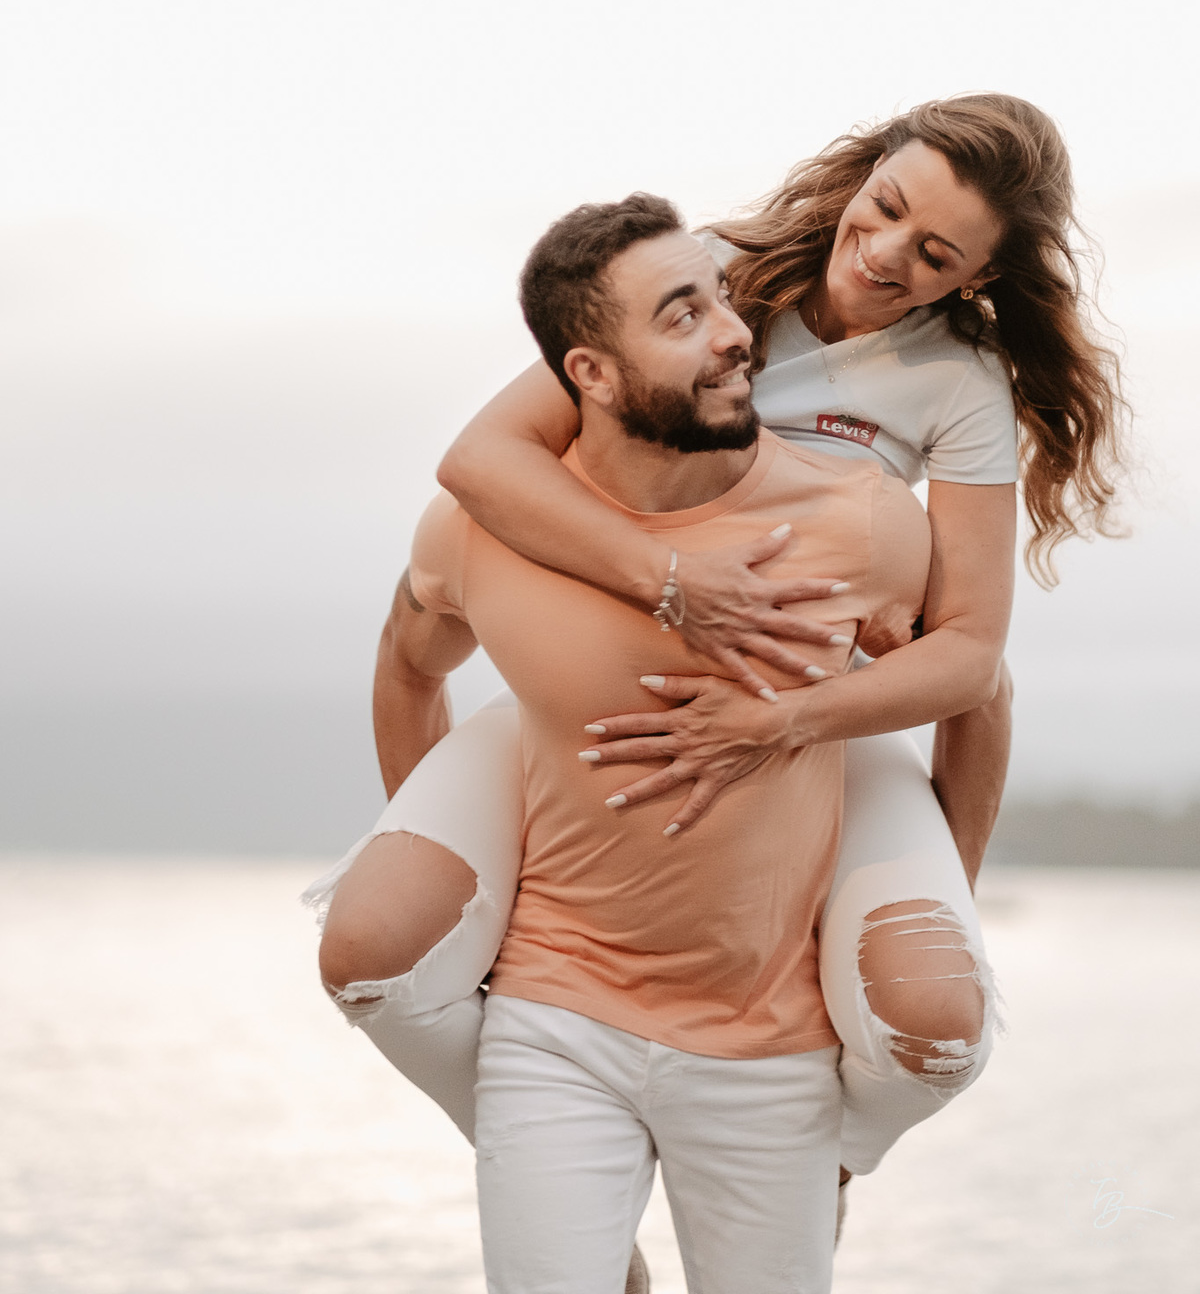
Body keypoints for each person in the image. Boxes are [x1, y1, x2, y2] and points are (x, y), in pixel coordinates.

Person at [306, 94, 1125, 1261]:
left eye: (934, 253)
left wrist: (787, 718)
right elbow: (484, 459)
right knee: (374, 946)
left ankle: (838, 1139)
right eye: (885, 207)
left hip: (811, 709)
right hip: (607, 669)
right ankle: (541, 1148)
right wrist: (666, 580)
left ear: (976, 280)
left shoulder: (959, 385)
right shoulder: (714, 280)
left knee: (936, 989)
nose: (885, 253)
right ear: (865, 174)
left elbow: (970, 653)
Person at [321, 193, 950, 1293]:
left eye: (718, 301)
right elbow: (408, 661)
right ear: (592, 376)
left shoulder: (861, 519)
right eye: (681, 316)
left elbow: (973, 684)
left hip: (772, 1050)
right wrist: (472, 899)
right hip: (555, 1024)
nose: (733, 335)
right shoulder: (483, 531)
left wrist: (947, 891)